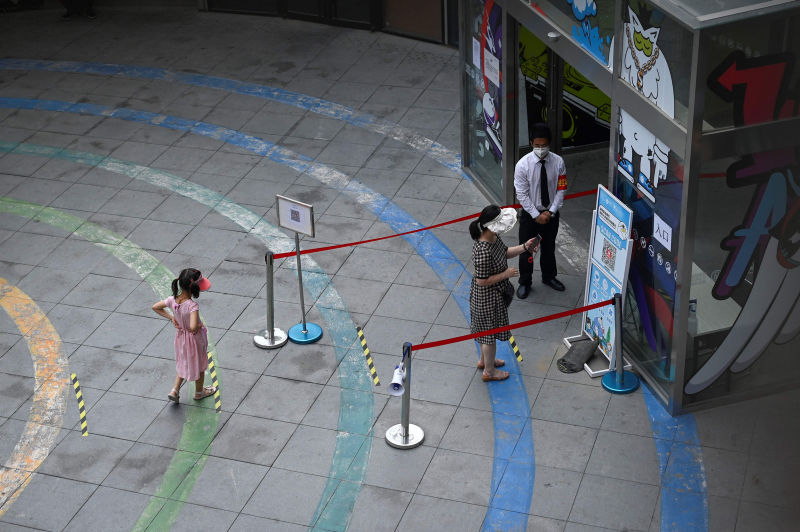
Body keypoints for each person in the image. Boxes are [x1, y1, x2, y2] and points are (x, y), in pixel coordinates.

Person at [470, 205, 539, 381]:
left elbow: (505, 252)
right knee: (489, 336)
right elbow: (482, 280)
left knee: (485, 332)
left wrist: (525, 247)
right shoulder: (483, 251)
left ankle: (485, 361)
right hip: (487, 298)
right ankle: (489, 371)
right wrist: (506, 274)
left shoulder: (493, 238)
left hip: (493, 296)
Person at [514, 122, 568, 298]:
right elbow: (521, 195)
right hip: (531, 216)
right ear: (531, 143)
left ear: (549, 143)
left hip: (550, 215)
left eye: (543, 145)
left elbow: (561, 188)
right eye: (537, 145)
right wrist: (537, 215)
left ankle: (549, 277)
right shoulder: (523, 165)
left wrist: (550, 212)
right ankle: (525, 281)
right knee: (528, 250)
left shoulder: (558, 162)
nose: (540, 148)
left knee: (548, 248)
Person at [152, 268, 217, 402]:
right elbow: (193, 327)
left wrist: (171, 317)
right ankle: (199, 393)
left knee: (183, 362)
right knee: (199, 366)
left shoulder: (172, 300)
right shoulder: (192, 306)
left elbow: (156, 307)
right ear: (194, 288)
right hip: (194, 340)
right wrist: (199, 324)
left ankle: (175, 390)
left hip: (181, 338)